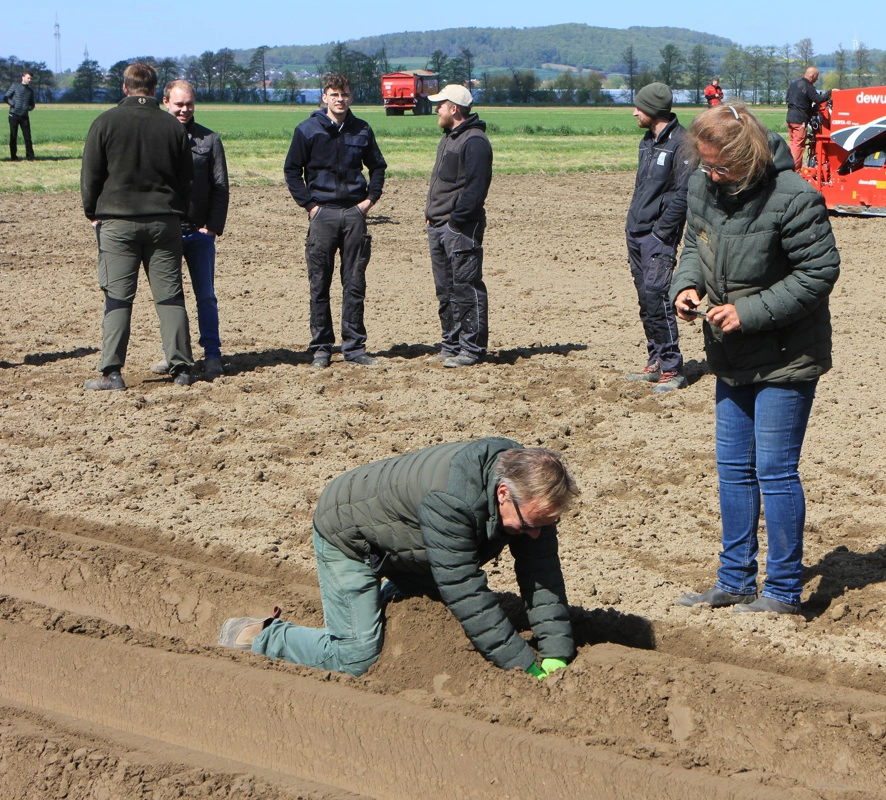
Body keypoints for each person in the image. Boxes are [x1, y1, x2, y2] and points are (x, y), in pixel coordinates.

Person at [671, 101, 840, 614]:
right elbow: (694, 245)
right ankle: (735, 580)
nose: (711, 175)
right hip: (731, 352)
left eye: (721, 167)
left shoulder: (794, 198)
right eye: (705, 165)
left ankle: (783, 590)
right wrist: (686, 286)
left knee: (774, 470)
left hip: (787, 356)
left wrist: (747, 312)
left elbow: (818, 273)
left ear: (748, 160)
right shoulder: (703, 188)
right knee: (733, 469)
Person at [218, 438, 579, 679]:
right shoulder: (453, 500)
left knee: (438, 599)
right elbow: (465, 589)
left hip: (407, 539)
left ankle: (382, 601)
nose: (536, 534)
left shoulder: (531, 492)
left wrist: (556, 654)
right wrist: (524, 668)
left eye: (546, 525)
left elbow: (541, 573)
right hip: (348, 533)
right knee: (355, 656)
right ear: (502, 494)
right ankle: (260, 635)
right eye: (530, 525)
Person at [80, 62, 195, 390]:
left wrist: (92, 212)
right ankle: (182, 368)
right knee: (170, 297)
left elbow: (90, 175)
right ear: (156, 90)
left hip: (117, 222)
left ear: (125, 88)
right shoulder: (172, 126)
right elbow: (187, 179)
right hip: (164, 221)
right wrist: (177, 212)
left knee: (117, 298)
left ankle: (112, 372)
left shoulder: (105, 122)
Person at [284, 73, 387, 369]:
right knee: (319, 284)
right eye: (334, 94)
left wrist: (368, 202)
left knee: (354, 283)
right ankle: (321, 347)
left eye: (344, 94)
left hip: (354, 215)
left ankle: (354, 347)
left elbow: (377, 167)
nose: (340, 99)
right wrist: (310, 206)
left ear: (350, 97)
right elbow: (292, 170)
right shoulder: (307, 130)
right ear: (324, 97)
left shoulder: (362, 130)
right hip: (322, 215)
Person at [148, 80, 228, 379]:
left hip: (199, 233)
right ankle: (174, 355)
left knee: (205, 296)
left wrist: (212, 228)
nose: (184, 110)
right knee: (170, 299)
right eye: (179, 104)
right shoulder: (154, 138)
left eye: (189, 104)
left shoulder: (209, 140)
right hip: (165, 232)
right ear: (165, 102)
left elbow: (220, 187)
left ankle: (212, 354)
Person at [624, 82, 695, 393]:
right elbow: (643, 187)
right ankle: (655, 360)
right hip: (636, 231)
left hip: (658, 236)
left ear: (653, 110)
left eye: (639, 107)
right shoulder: (647, 141)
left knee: (657, 297)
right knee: (645, 299)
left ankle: (672, 367)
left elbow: (684, 192)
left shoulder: (683, 144)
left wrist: (662, 230)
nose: (634, 113)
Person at [424, 84, 493, 368]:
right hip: (438, 225)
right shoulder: (449, 138)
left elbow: (476, 189)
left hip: (459, 229)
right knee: (446, 290)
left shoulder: (474, 141)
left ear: (454, 109)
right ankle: (451, 344)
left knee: (466, 287)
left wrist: (455, 221)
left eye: (440, 105)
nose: (436, 110)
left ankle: (471, 349)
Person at [786, 67, 831, 170]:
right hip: (800, 120)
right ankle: (795, 170)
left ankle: (788, 166)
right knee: (798, 145)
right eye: (817, 77)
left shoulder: (793, 85)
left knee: (792, 143)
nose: (817, 79)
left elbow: (789, 99)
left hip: (790, 117)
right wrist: (830, 93)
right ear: (812, 76)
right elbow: (818, 99)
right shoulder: (808, 87)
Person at [5, 72, 35, 161]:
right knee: (13, 136)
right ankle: (13, 156)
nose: (29, 80)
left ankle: (30, 156)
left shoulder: (30, 91)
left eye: (30, 78)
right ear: (23, 77)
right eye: (28, 78)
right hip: (14, 114)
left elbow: (32, 104)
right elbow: (6, 97)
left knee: (27, 137)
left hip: (24, 116)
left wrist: (28, 108)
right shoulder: (15, 86)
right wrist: (13, 104)